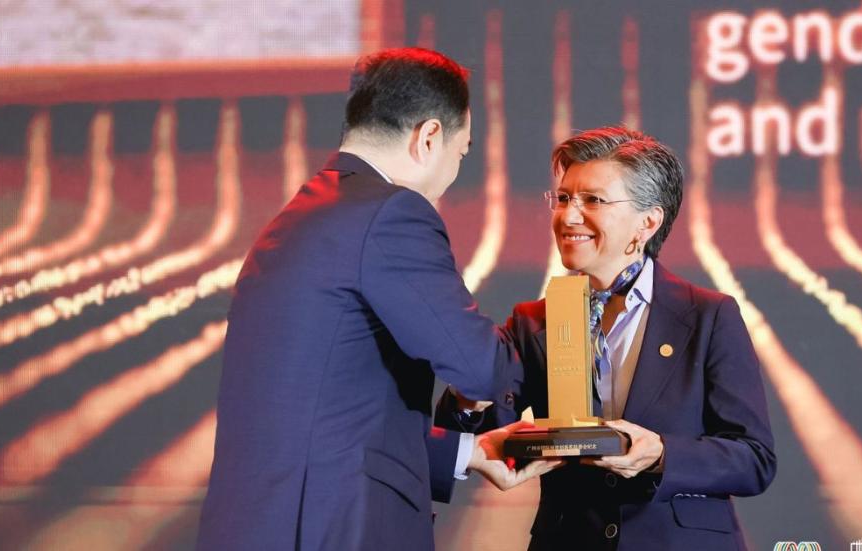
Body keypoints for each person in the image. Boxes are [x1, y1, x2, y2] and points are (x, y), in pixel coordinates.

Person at [197, 48, 557, 551]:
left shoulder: (304, 214)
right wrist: (560, 331)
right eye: (462, 152)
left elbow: (324, 416)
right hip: (332, 528)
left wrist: (467, 453)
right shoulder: (390, 214)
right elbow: (479, 368)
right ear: (428, 137)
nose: (454, 172)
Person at [437, 127, 776, 550]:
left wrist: (660, 453)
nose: (568, 216)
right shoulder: (533, 322)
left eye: (592, 200)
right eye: (563, 199)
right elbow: (474, 430)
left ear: (648, 222)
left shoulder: (708, 316)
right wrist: (469, 394)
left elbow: (754, 459)